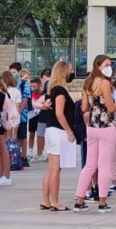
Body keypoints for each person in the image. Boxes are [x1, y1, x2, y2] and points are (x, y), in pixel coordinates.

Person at [73, 56, 116, 213]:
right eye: (107, 65)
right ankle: (102, 201)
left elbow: (84, 108)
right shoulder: (106, 83)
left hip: (92, 126)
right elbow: (111, 108)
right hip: (106, 126)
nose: (109, 67)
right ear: (99, 66)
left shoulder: (87, 82)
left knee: (89, 165)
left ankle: (80, 199)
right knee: (104, 165)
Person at [39, 61, 75, 211]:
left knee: (51, 168)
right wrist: (69, 130)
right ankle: (54, 201)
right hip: (59, 131)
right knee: (56, 169)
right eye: (70, 70)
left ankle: (45, 200)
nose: (72, 73)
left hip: (51, 130)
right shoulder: (60, 91)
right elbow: (59, 113)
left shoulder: (52, 90)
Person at [10, 63, 32, 166]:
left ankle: (24, 156)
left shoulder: (24, 83)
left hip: (22, 115)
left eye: (14, 72)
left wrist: (19, 111)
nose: (12, 74)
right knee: (14, 136)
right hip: (11, 115)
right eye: (11, 72)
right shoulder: (10, 83)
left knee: (22, 136)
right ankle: (15, 155)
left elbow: (26, 99)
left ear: (19, 72)